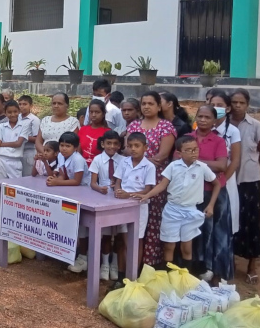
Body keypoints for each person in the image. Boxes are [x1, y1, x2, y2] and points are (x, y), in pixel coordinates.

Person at [138, 135, 221, 272]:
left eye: (195, 149)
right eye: (188, 150)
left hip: (191, 211)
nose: (193, 153)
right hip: (172, 210)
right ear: (179, 153)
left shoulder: (202, 167)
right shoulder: (173, 166)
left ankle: (185, 277)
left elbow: (217, 184)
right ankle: (168, 276)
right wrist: (147, 195)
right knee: (169, 246)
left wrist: (210, 205)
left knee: (186, 247)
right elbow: (162, 185)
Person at [125, 92, 177, 267]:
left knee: (153, 223)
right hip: (132, 181)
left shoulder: (166, 127)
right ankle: (132, 267)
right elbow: (127, 151)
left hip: (156, 181)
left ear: (159, 106)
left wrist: (140, 159)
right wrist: (140, 157)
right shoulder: (133, 125)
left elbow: (161, 156)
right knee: (133, 224)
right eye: (144, 103)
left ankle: (150, 265)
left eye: (150, 103)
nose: (146, 106)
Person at [230, 88, 260, 285]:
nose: (237, 106)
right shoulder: (223, 124)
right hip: (227, 180)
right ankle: (230, 260)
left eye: (241, 103)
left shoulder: (255, 125)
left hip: (249, 180)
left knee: (251, 222)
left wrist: (252, 169)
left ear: (247, 104)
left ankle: (252, 265)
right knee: (229, 221)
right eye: (234, 102)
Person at [190, 105, 233, 282]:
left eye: (207, 117)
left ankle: (218, 271)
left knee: (218, 232)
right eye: (200, 116)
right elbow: (177, 159)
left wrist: (194, 160)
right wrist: (209, 163)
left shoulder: (218, 141)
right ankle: (198, 269)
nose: (203, 120)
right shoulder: (188, 138)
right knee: (197, 232)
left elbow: (222, 166)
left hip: (215, 193)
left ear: (214, 121)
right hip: (192, 192)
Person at [86, 130, 127, 282]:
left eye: (115, 143)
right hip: (102, 199)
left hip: (119, 199)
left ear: (120, 145)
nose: (112, 146)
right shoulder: (97, 159)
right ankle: (105, 265)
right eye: (108, 143)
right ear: (102, 144)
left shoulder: (124, 160)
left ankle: (115, 265)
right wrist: (100, 188)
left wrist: (118, 186)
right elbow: (92, 183)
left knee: (120, 235)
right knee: (106, 234)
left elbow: (125, 179)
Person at [0, 101, 30, 203]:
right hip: (0, 160)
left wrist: (0, 144)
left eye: (15, 111)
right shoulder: (1, 126)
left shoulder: (24, 126)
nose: (12, 114)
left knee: (14, 191)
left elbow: (18, 143)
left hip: (14, 161)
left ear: (19, 111)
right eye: (9, 112)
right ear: (5, 113)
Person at [210, 92, 242, 235]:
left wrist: (223, 180)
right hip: (205, 181)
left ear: (228, 109)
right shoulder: (202, 128)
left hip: (226, 181)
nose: (215, 108)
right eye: (212, 105)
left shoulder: (233, 131)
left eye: (219, 105)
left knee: (224, 220)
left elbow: (235, 160)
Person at [79, 99, 111, 166]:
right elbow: (79, 150)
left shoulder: (108, 132)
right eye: (91, 112)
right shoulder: (83, 129)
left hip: (100, 167)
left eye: (97, 112)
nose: (93, 115)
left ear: (103, 114)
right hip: (82, 167)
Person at [18, 95, 40, 176]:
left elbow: (37, 139)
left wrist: (22, 136)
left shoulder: (34, 120)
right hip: (18, 152)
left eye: (24, 104)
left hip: (29, 152)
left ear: (31, 106)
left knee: (27, 176)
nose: (22, 106)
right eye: (20, 104)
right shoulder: (17, 117)